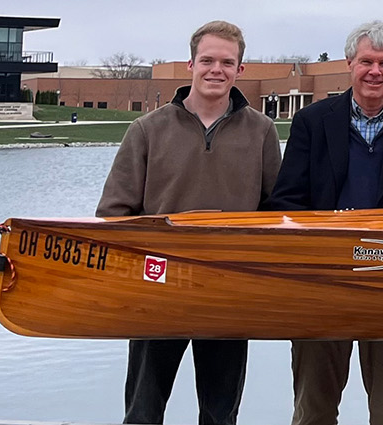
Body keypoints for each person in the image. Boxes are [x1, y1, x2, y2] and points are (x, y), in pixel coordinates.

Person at [265, 21, 383, 425]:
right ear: (349, 63)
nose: (374, 71)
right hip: (322, 281)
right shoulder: (313, 122)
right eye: (366, 61)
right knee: (314, 407)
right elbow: (287, 201)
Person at [99, 20, 274, 425]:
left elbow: (274, 214)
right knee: (143, 412)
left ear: (240, 70)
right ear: (190, 64)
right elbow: (114, 214)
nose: (217, 70)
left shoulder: (261, 131)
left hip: (227, 291)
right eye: (207, 60)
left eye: (227, 62)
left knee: (220, 414)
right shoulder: (146, 129)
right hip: (157, 291)